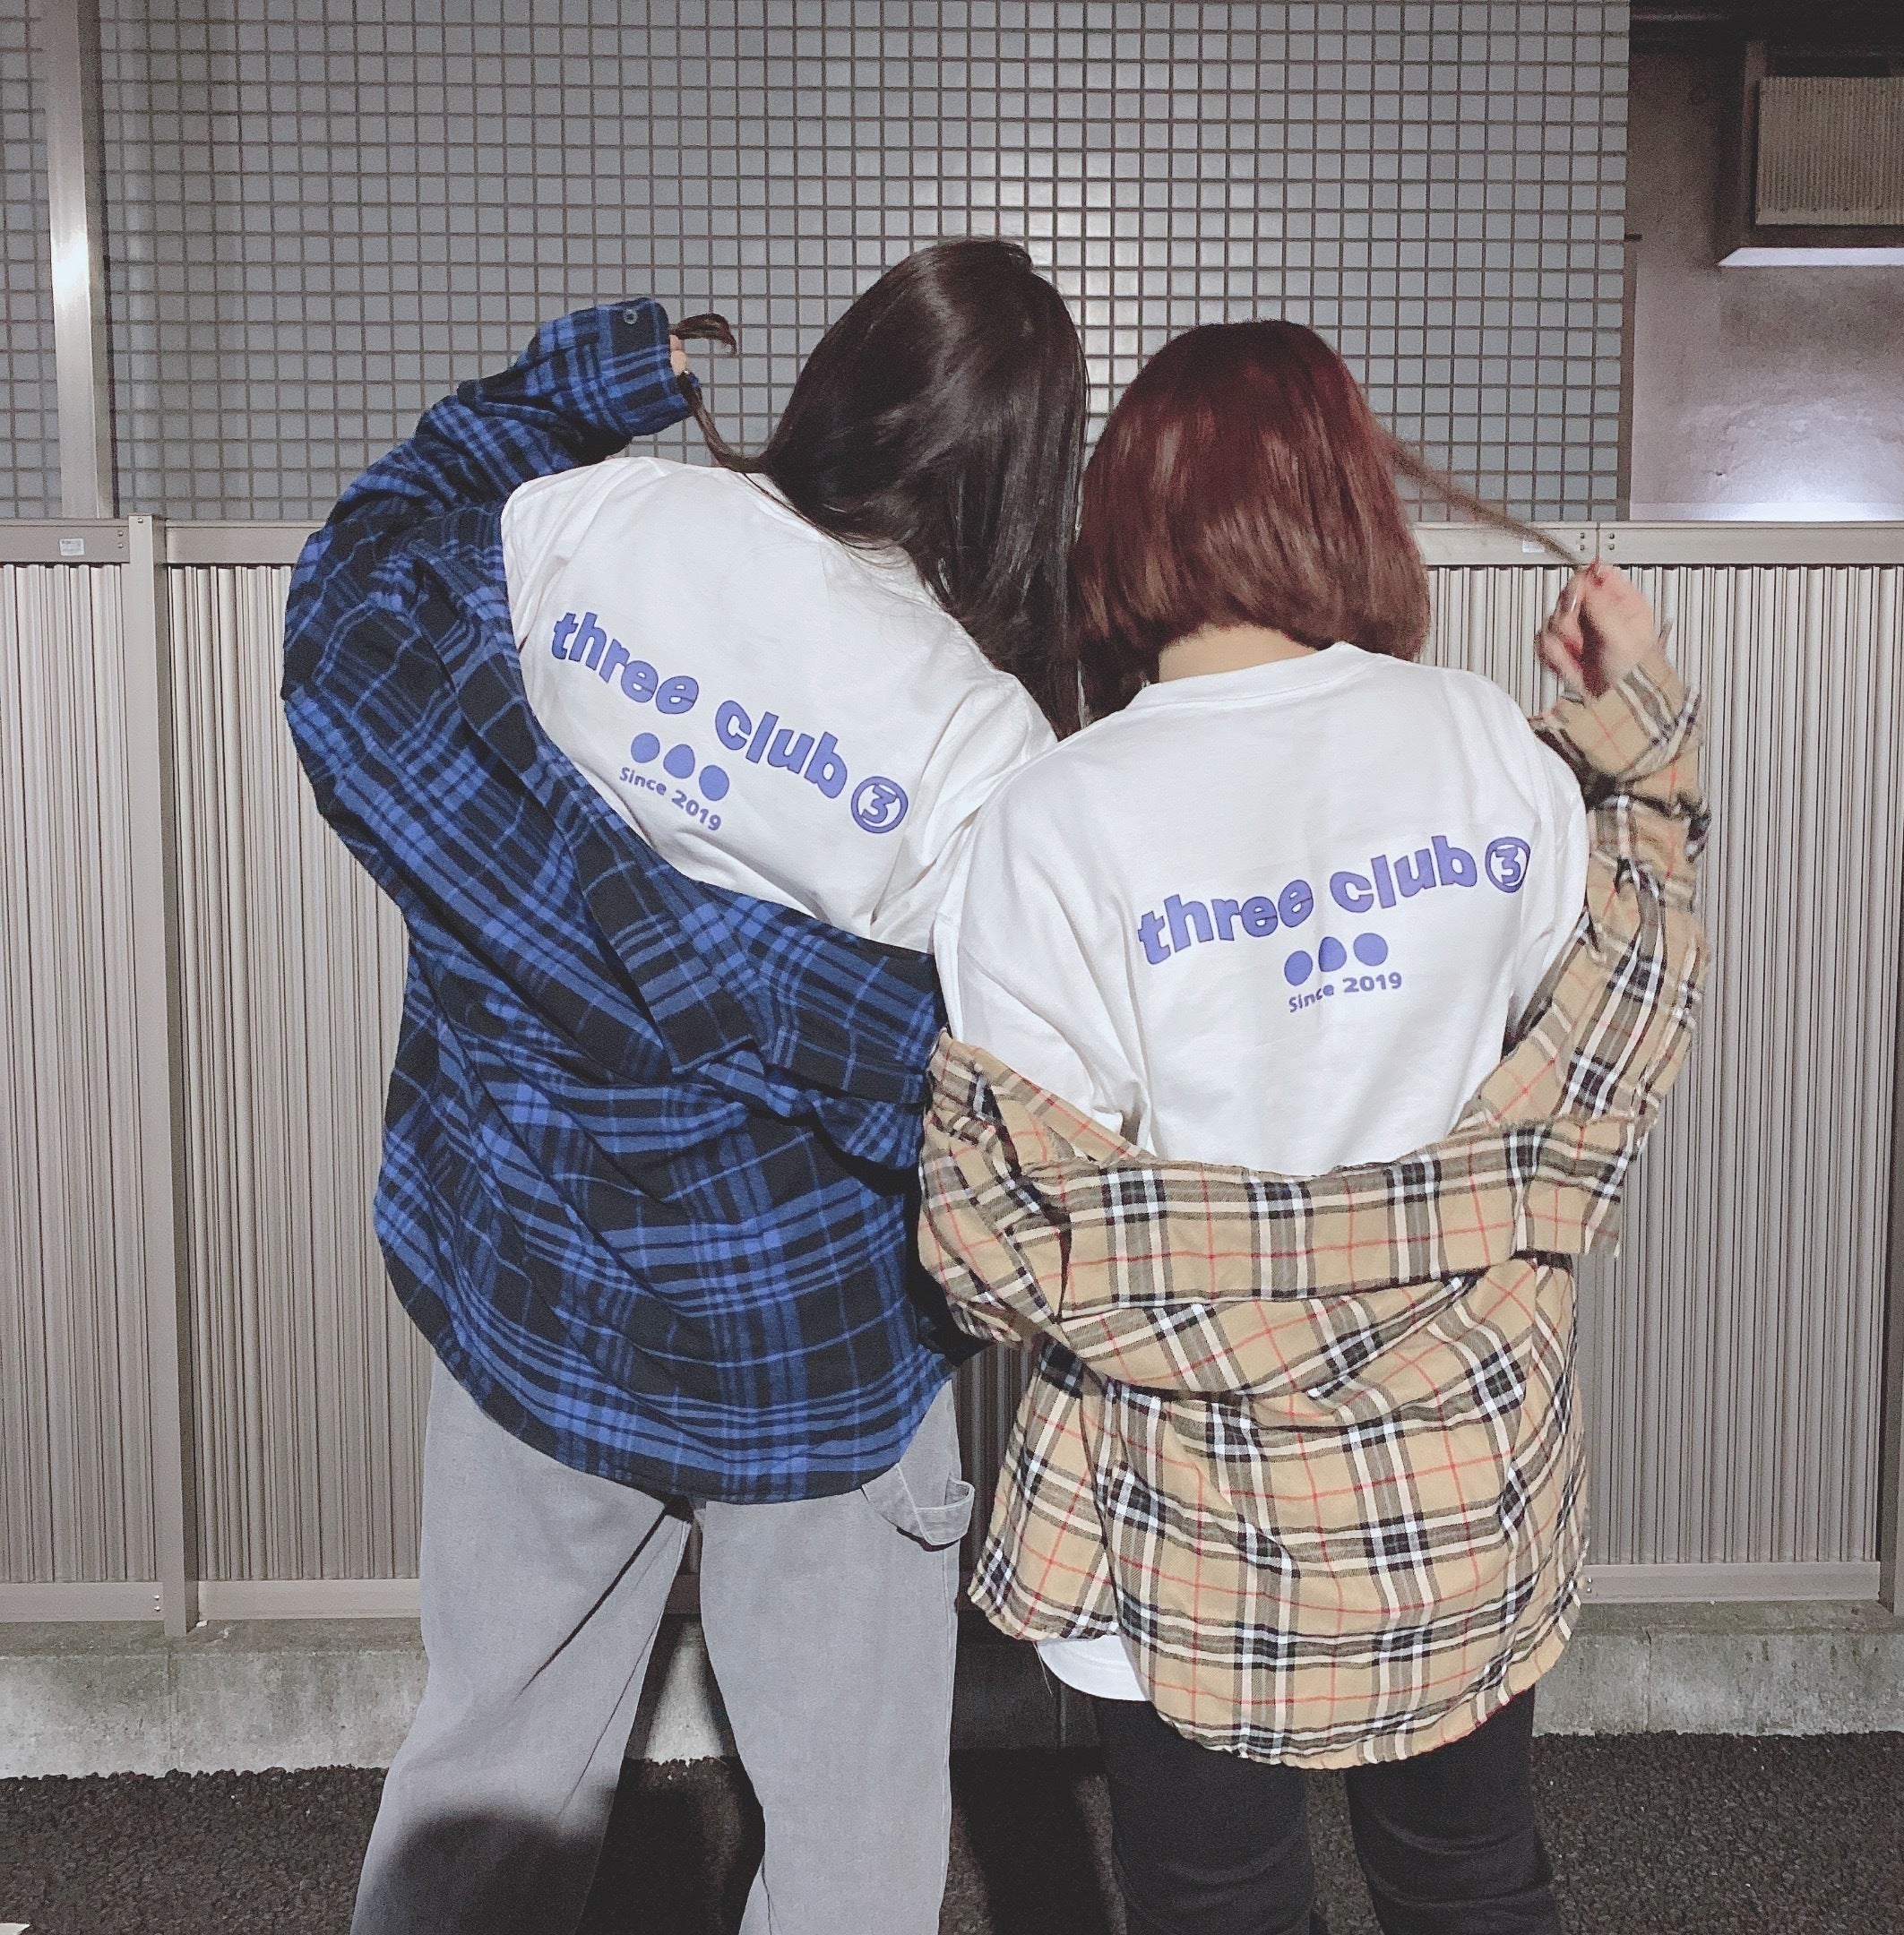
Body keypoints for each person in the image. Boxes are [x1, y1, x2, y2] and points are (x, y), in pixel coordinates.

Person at [282, 238, 1086, 1935]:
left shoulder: (606, 520)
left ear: (842, 383)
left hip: (537, 1298)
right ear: (1022, 489)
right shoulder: (981, 744)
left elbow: (359, 585)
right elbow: (997, 1094)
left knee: (492, 1767)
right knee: (854, 1835)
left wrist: (564, 390)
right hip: (817, 1365)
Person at [923, 322, 1708, 1933]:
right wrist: (1638, 707)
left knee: (1215, 1898)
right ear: (1350, 502)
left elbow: (1009, 1241)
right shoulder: (1487, 745)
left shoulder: (1052, 819)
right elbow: (1579, 1038)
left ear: (1121, 523)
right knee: (1470, 1879)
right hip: (1456, 1465)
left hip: (1192, 1498)